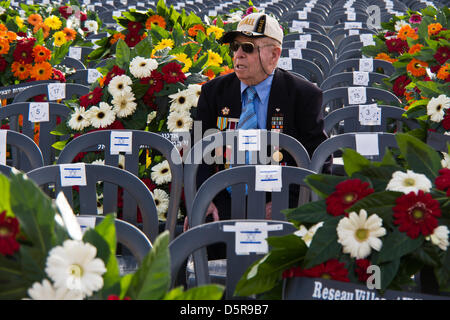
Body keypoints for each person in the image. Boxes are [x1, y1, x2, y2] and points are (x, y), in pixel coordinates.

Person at [185, 12, 328, 230]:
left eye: (248, 48)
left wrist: (290, 203)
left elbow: (317, 158)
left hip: (281, 197)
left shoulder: (303, 95)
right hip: (223, 198)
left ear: (274, 55)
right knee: (200, 232)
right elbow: (198, 150)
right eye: (235, 47)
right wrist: (203, 199)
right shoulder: (214, 91)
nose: (238, 55)